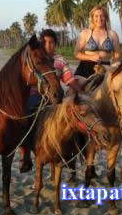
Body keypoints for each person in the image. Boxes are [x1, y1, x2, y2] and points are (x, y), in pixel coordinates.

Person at [19, 28, 81, 173]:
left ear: (56, 44)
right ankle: (25, 155)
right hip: (35, 95)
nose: (48, 45)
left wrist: (80, 91)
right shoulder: (35, 57)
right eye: (45, 42)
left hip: (55, 96)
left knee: (72, 121)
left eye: (52, 42)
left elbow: (68, 79)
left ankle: (68, 154)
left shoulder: (60, 60)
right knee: (24, 119)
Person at [74, 5, 122, 79]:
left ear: (105, 17)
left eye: (102, 16)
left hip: (105, 68)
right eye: (96, 16)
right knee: (73, 89)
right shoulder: (85, 33)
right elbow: (76, 53)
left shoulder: (112, 34)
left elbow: (118, 54)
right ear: (92, 18)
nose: (99, 18)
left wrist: (112, 65)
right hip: (85, 68)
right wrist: (91, 57)